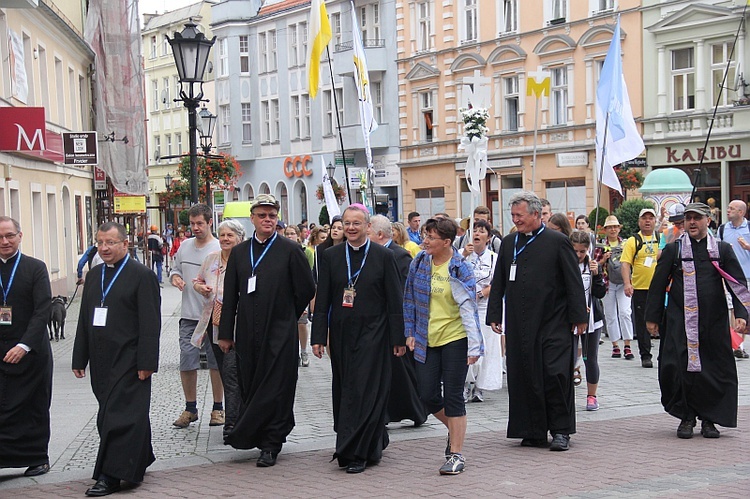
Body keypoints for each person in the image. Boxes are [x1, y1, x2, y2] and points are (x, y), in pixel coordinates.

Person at [218, 194, 315, 467]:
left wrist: (286, 313)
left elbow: (306, 289)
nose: (267, 220)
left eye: (272, 216)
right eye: (262, 215)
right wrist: (226, 333)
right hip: (247, 331)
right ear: (252, 219)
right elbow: (231, 296)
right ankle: (257, 435)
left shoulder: (290, 250)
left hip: (280, 333)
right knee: (250, 384)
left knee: (276, 386)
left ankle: (272, 443)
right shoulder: (239, 252)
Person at [487, 191, 587, 452]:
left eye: (520, 215)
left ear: (535, 214)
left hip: (553, 321)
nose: (516, 220)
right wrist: (495, 313)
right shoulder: (509, 243)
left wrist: (580, 317)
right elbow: (498, 281)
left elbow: (573, 281)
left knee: (555, 374)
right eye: (513, 216)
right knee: (524, 375)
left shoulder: (557, 241)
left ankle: (561, 430)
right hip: (520, 323)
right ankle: (531, 430)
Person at [311, 205, 406, 474]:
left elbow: (394, 299)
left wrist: (398, 337)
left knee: (364, 388)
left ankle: (357, 452)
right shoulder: (330, 256)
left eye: (357, 223)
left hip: (375, 332)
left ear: (367, 227)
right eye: (347, 223)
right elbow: (324, 299)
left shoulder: (383, 256)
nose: (351, 228)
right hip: (341, 334)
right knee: (346, 388)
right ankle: (371, 438)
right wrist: (318, 336)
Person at [645, 203, 749, 439]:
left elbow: (737, 284)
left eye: (697, 218)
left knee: (713, 370)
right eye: (688, 218)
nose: (692, 222)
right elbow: (658, 285)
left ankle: (710, 419)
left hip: (713, 323)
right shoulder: (674, 250)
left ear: (708, 221)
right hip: (679, 321)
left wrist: (742, 314)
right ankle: (687, 417)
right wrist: (652, 318)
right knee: (679, 368)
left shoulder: (722, 250)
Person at [73, 222, 160, 496]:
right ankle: (139, 458)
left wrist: (147, 362)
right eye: (100, 242)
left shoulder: (141, 275)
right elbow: (85, 318)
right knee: (121, 414)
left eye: (110, 242)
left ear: (125, 244)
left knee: (117, 417)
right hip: (102, 360)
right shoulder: (95, 274)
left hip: (130, 359)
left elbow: (150, 323)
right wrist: (79, 356)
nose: (104, 248)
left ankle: (110, 475)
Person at [404, 217, 483, 474]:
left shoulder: (461, 268)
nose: (424, 241)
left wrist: (474, 346)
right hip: (426, 338)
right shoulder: (419, 262)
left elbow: (469, 309)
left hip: (455, 339)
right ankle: (454, 427)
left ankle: (457, 454)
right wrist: (410, 332)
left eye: (430, 237)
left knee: (453, 395)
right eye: (425, 235)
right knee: (427, 394)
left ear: (447, 242)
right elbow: (409, 299)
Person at [0, 217, 53, 478]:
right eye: (0, 237)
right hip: (1, 349)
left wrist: (24, 345)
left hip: (31, 351)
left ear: (20, 236)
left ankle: (37, 458)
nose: (4, 242)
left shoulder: (35, 268)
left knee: (34, 406)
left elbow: (43, 309)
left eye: (9, 236)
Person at [169, 204, 224, 428]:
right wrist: (176, 279)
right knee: (187, 361)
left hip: (214, 315)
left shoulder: (220, 247)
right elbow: (175, 270)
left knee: (216, 362)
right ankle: (190, 408)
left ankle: (218, 408)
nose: (195, 228)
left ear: (210, 222)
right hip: (190, 315)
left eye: (200, 223)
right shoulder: (184, 246)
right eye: (192, 224)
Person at [369, 215, 427, 427]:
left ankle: (417, 410)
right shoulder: (373, 254)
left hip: (396, 322)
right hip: (377, 322)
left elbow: (404, 293)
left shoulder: (399, 256)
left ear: (380, 234)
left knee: (402, 372)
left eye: (368, 232)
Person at [192, 219, 246, 440]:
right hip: (213, 325)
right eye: (222, 235)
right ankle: (237, 417)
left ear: (239, 238)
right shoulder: (211, 259)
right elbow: (198, 279)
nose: (224, 239)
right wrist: (199, 287)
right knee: (225, 372)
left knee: (232, 373)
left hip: (237, 325)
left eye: (229, 236)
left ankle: (232, 423)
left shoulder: (245, 260)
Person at [462, 219, 502, 403]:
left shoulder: (494, 258)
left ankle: (480, 386)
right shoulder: (464, 256)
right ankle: (465, 383)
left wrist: (483, 293)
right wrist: (463, 254)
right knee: (467, 344)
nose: (477, 234)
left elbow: (497, 282)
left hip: (485, 306)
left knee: (486, 346)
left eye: (481, 231)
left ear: (488, 237)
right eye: (474, 231)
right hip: (465, 307)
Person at [570, 231, 606, 411]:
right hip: (570, 319)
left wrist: (597, 275)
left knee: (590, 358)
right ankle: (566, 396)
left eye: (582, 251)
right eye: (575, 251)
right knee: (568, 358)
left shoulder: (592, 266)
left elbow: (600, 293)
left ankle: (592, 396)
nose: (578, 255)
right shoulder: (565, 265)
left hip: (592, 319)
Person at [620, 207, 659, 368]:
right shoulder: (633, 240)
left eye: (651, 218)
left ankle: (664, 354)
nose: (647, 221)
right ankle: (645, 355)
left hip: (660, 288)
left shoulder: (661, 238)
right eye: (644, 218)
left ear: (655, 221)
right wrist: (627, 283)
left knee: (663, 321)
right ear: (639, 221)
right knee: (642, 322)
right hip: (640, 288)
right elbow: (625, 263)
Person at [598, 216, 634, 359]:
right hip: (607, 283)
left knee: (625, 312)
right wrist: (603, 259)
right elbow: (594, 265)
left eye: (615, 227)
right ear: (605, 230)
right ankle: (615, 345)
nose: (613, 229)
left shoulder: (626, 244)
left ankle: (627, 344)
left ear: (619, 228)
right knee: (610, 314)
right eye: (610, 227)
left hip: (624, 282)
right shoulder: (600, 245)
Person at [718, 199, 750, 358]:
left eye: (732, 208)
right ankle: (738, 345)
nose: (728, 210)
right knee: (733, 309)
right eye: (728, 207)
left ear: (741, 212)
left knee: (745, 307)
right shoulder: (723, 229)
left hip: (748, 276)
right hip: (728, 277)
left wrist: (748, 247)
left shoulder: (749, 228)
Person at [283, 224, 314, 366]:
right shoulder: (281, 250)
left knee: (302, 323)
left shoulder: (306, 251)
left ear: (297, 235)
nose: (289, 236)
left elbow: (309, 274)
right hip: (286, 293)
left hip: (300, 291)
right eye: (287, 234)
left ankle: (303, 351)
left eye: (292, 234)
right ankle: (292, 352)